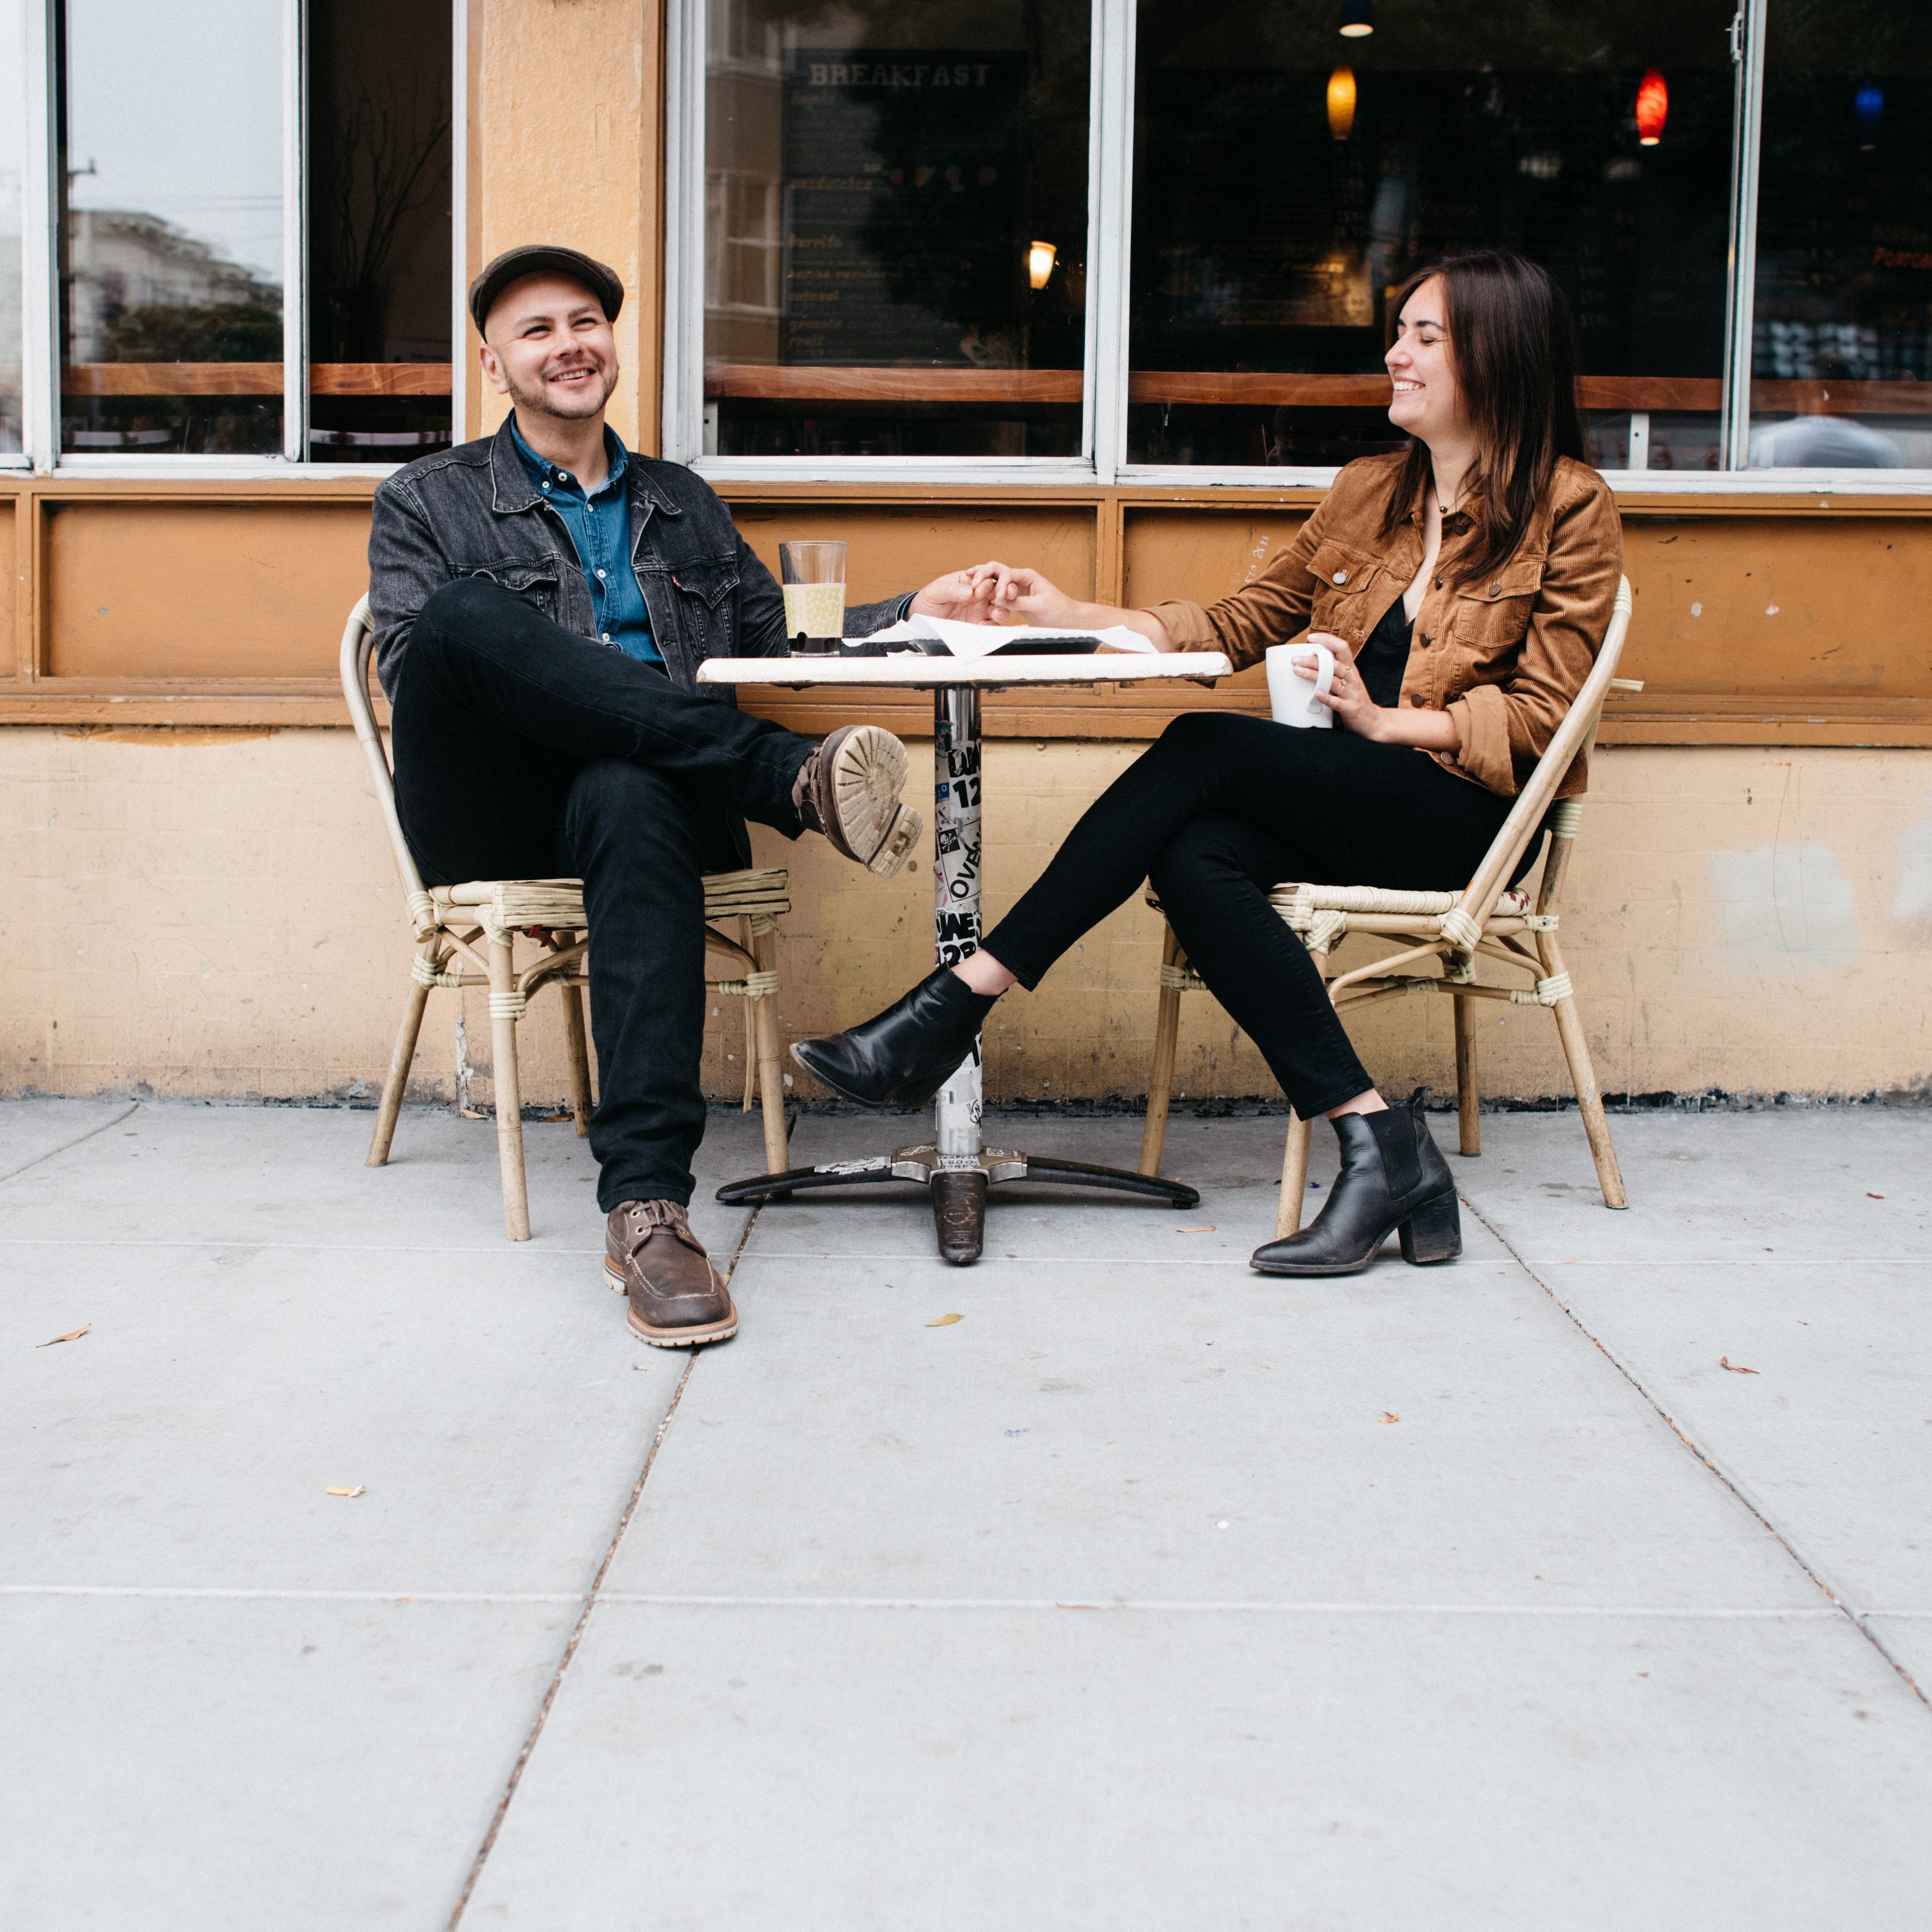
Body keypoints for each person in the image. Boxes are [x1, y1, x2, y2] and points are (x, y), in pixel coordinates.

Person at [793, 248, 1622, 1278]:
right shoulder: (1371, 493)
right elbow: (1244, 621)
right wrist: (1076, 614)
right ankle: (1381, 1144)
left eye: (1423, 336)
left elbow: (1544, 718)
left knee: (1204, 747)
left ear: (1498, 355)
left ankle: (959, 1000)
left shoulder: (1570, 506)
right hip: (1356, 795)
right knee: (1194, 857)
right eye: (1398, 331)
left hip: (1465, 812)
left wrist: (1381, 723)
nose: (1394, 354)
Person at [370, 244, 1002, 1348]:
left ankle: (648, 1211)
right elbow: (424, 678)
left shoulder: (682, 503)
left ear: (613, 342)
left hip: (647, 812)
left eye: (586, 321)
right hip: (491, 806)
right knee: (464, 620)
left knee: (628, 786)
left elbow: (781, 645)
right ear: (493, 363)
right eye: (536, 330)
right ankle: (785, 782)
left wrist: (915, 606)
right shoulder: (427, 499)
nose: (568, 344)